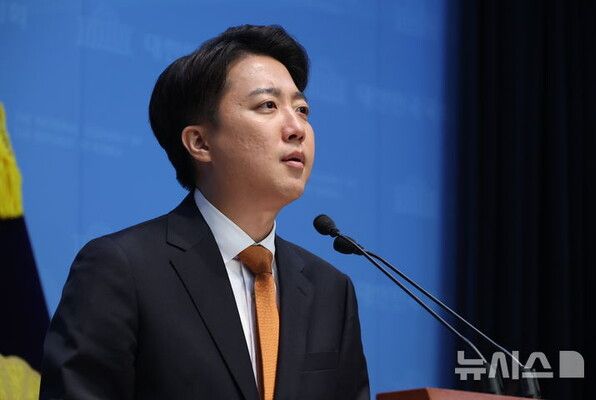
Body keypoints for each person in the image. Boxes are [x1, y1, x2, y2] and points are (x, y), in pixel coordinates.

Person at [40, 24, 369, 400]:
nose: (297, 128)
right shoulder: (122, 270)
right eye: (268, 105)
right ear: (199, 142)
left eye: (302, 109)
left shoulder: (330, 290)